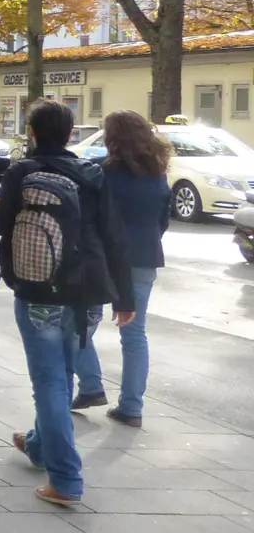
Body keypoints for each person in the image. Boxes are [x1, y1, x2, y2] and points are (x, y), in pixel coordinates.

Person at [0, 98, 135, 507]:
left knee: (50, 384)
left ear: (31, 132)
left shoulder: (22, 171)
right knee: (63, 374)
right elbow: (114, 237)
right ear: (71, 134)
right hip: (88, 292)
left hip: (39, 292)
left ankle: (66, 481)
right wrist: (125, 297)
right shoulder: (93, 174)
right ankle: (38, 446)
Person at [71, 109, 171, 426]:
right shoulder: (157, 176)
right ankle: (131, 407)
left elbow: (87, 219)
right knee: (134, 334)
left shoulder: (99, 172)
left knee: (79, 327)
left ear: (112, 138)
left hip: (101, 260)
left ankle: (90, 385)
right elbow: (162, 222)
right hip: (143, 259)